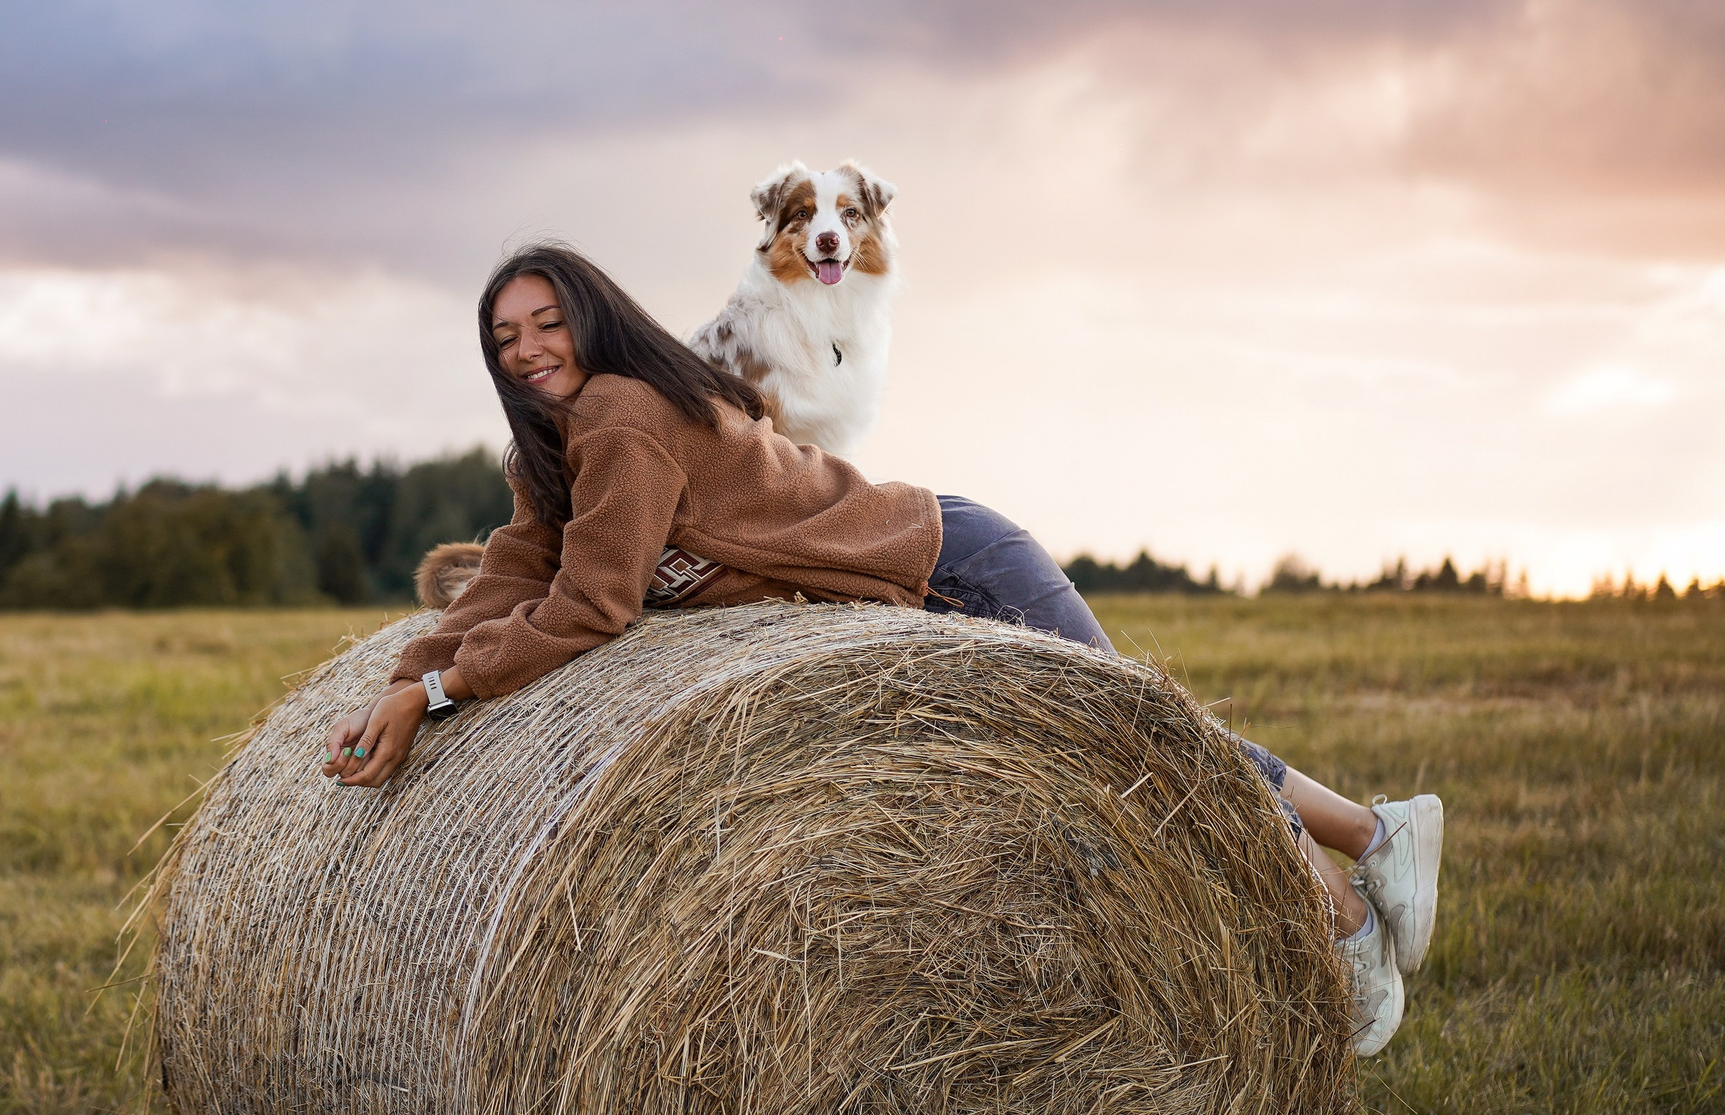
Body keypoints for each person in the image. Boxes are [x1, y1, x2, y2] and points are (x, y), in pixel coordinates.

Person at [322, 243, 1443, 1056]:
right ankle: (1375, 833)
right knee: (1132, 746)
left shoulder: (621, 412)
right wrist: (405, 680)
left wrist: (440, 693)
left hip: (952, 565)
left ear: (592, 318)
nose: (526, 352)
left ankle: (1340, 911)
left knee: (1138, 748)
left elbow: (591, 604)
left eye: (544, 324)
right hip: (905, 596)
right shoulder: (556, 455)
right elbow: (517, 573)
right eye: (505, 338)